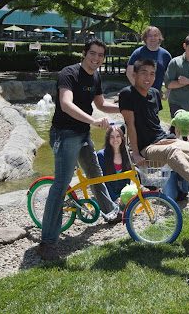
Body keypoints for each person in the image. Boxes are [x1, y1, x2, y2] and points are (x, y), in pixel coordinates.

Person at [38, 39, 121, 261]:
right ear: (84, 54)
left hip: (82, 134)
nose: (96, 59)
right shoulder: (69, 73)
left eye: (101, 55)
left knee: (95, 174)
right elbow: (66, 104)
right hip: (64, 134)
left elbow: (102, 104)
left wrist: (127, 107)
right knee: (62, 184)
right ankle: (46, 242)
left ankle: (110, 211)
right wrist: (93, 121)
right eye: (93, 54)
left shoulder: (95, 75)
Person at [118, 59, 189, 193]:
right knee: (173, 152)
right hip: (148, 148)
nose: (149, 78)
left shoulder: (154, 93)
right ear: (134, 74)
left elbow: (153, 121)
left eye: (152, 74)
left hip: (166, 140)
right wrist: (135, 154)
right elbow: (130, 125)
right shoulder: (127, 94)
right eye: (144, 73)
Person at [126, 26, 171, 94]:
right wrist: (138, 88)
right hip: (139, 92)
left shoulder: (166, 55)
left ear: (159, 37)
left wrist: (168, 90)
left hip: (157, 93)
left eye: (155, 35)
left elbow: (171, 75)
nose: (153, 38)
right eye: (150, 36)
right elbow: (129, 72)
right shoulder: (137, 53)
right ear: (145, 38)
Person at [97, 126, 131, 206]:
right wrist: (114, 198)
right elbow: (103, 180)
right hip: (108, 195)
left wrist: (123, 196)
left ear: (122, 138)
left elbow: (128, 179)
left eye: (118, 136)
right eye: (112, 137)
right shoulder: (101, 155)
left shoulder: (127, 154)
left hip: (122, 195)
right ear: (108, 139)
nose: (115, 139)